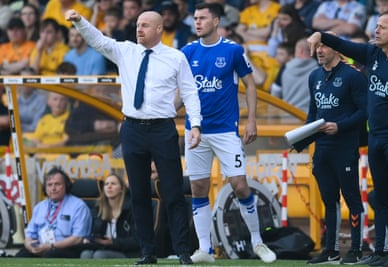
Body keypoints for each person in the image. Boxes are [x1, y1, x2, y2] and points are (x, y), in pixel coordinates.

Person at [65, 8, 202, 265]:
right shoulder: (126, 50)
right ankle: (147, 252)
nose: (139, 29)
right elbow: (98, 40)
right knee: (138, 193)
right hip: (132, 129)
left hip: (162, 129)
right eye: (138, 24)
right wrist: (80, 22)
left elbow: (190, 93)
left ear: (159, 29)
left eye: (146, 25)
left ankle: (183, 252)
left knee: (172, 193)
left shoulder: (175, 57)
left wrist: (195, 125)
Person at [307, 10, 388, 266]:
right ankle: (385, 253)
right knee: (382, 195)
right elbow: (344, 44)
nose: (376, 30)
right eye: (376, 26)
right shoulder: (372, 54)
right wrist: (322, 35)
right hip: (376, 137)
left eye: (382, 27)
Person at [181, 3, 276, 264]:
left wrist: (251, 120)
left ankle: (257, 241)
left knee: (240, 185)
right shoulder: (187, 52)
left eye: (202, 18)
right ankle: (204, 249)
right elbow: (182, 91)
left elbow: (251, 84)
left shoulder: (233, 50)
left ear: (216, 21)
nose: (197, 22)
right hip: (195, 131)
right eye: (195, 18)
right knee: (198, 188)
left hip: (225, 131)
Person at [305, 31, 367, 265]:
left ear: (337, 50)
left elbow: (364, 112)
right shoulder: (314, 76)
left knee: (351, 198)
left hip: (345, 146)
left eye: (324, 46)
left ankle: (357, 248)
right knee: (328, 200)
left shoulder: (354, 76)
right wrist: (302, 137)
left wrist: (339, 126)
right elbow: (313, 112)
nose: (319, 50)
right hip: (322, 148)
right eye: (317, 47)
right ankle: (330, 249)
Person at [15, 167, 92, 258]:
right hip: (41, 247)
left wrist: (50, 246)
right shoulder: (39, 207)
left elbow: (77, 238)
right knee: (21, 256)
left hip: (67, 249)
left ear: (66, 186)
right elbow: (30, 235)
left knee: (49, 255)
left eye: (57, 184)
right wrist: (30, 246)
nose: (53, 188)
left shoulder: (79, 206)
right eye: (49, 185)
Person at [80, 174, 139, 258]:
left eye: (113, 184)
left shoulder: (130, 210)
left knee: (99, 255)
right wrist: (92, 240)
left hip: (127, 252)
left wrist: (112, 242)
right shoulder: (98, 209)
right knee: (86, 254)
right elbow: (95, 234)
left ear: (122, 189)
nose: (109, 186)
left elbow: (136, 241)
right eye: (106, 184)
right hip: (103, 248)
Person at [271, 38, 318, 113]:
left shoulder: (285, 68)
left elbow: (275, 92)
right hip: (309, 118)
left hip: (287, 117)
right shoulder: (319, 70)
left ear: (300, 50)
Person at [18, 68, 48, 133]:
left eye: (29, 80)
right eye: (23, 80)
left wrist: (17, 127)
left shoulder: (41, 100)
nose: (25, 84)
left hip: (32, 137)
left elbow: (35, 127)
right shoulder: (15, 98)